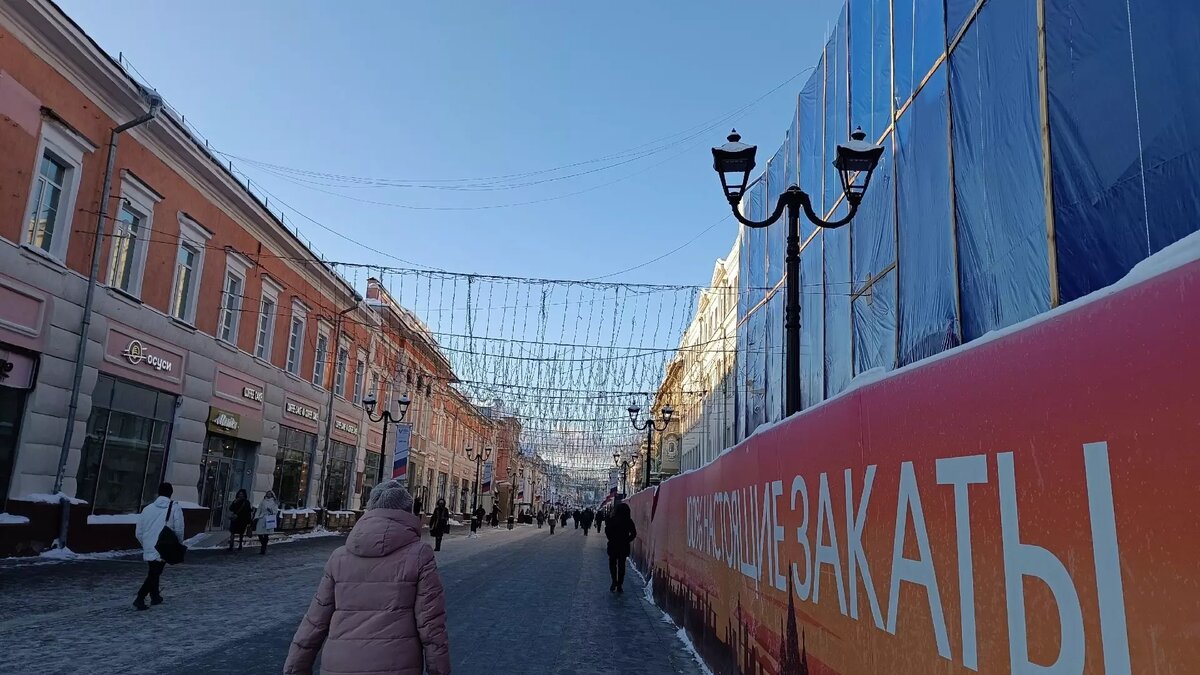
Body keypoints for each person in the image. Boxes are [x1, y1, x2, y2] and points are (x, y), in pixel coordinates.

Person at [284, 480, 451, 675]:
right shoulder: (420, 555)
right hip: (396, 664)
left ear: (370, 510)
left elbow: (315, 621)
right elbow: (431, 623)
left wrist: (295, 667)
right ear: (407, 512)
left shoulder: (339, 557)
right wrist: (439, 670)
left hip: (340, 664)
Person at [133, 481, 185, 611]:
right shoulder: (174, 507)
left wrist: (145, 543)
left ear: (158, 492)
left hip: (149, 544)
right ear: (171, 493)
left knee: (153, 570)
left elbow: (138, 531)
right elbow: (179, 529)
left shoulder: (147, 509)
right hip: (164, 545)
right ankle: (140, 597)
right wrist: (178, 543)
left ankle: (155, 596)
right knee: (155, 573)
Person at [605, 502, 637, 593]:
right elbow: (634, 533)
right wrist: (627, 540)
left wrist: (611, 539)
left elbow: (607, 530)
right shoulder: (628, 521)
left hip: (613, 545)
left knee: (612, 564)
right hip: (623, 546)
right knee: (622, 565)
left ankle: (614, 581)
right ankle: (620, 584)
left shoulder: (612, 519)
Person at [226, 488, 253, 553]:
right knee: (232, 532)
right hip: (235, 519)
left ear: (244, 495)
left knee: (241, 533)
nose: (240, 495)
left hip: (242, 520)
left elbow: (248, 512)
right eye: (239, 494)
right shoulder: (236, 501)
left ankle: (240, 545)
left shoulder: (246, 502)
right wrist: (234, 503)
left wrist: (249, 522)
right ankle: (231, 546)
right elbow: (231, 509)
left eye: (242, 494)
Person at [254, 490, 279, 555]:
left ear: (272, 495)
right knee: (259, 533)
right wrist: (256, 517)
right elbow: (259, 509)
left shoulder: (274, 502)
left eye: (270, 494)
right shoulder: (263, 501)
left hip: (269, 519)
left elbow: (276, 511)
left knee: (266, 534)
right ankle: (263, 544)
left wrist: (271, 511)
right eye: (268, 494)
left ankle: (263, 548)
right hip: (262, 518)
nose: (268, 495)